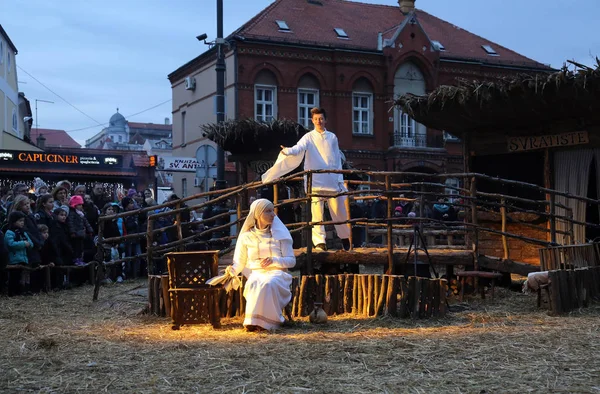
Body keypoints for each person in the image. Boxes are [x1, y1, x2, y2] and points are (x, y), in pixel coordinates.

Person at [266, 107, 350, 251]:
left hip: (331, 181)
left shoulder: (332, 137)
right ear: (312, 120)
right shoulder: (309, 137)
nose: (319, 121)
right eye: (316, 119)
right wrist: (288, 150)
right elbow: (299, 148)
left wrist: (339, 179)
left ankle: (344, 238)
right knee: (317, 213)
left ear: (325, 120)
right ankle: (319, 243)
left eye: (321, 118)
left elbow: (336, 159)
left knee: (339, 211)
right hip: (316, 181)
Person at [224, 199, 295, 331]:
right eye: (268, 211)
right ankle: (253, 322)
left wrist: (274, 261)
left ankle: (270, 323)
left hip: (278, 274)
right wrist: (232, 270)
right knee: (255, 283)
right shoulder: (246, 237)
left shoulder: (280, 235)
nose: (273, 214)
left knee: (268, 283)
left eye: (272, 210)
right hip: (256, 273)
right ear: (257, 214)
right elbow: (240, 262)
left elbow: (291, 261)